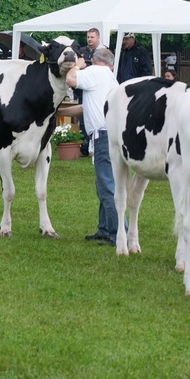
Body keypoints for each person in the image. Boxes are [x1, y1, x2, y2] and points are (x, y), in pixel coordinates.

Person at [66, 47, 119, 246]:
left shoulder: (95, 72)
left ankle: (117, 232)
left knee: (107, 185)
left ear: (94, 60)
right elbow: (85, 108)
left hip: (102, 135)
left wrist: (77, 65)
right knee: (104, 184)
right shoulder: (110, 78)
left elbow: (71, 80)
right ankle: (105, 228)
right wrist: (56, 113)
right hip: (111, 133)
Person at [77, 27, 105, 156]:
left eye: (92, 37)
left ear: (98, 38)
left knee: (96, 116)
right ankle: (84, 147)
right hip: (83, 87)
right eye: (88, 37)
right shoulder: (82, 52)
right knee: (82, 118)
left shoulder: (103, 52)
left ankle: (96, 145)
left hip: (97, 89)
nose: (89, 39)